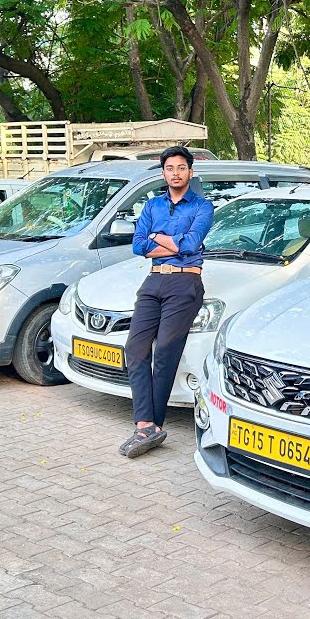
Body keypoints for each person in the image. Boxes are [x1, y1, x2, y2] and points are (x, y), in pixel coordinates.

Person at [119, 146, 214, 458]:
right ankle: (147, 424)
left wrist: (157, 237)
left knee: (165, 355)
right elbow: (137, 245)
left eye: (181, 168)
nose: (175, 173)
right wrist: (170, 241)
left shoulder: (203, 206)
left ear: (190, 172)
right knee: (135, 349)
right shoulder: (152, 206)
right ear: (163, 173)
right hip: (154, 279)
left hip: (186, 281)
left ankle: (148, 425)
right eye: (170, 168)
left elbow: (190, 245)